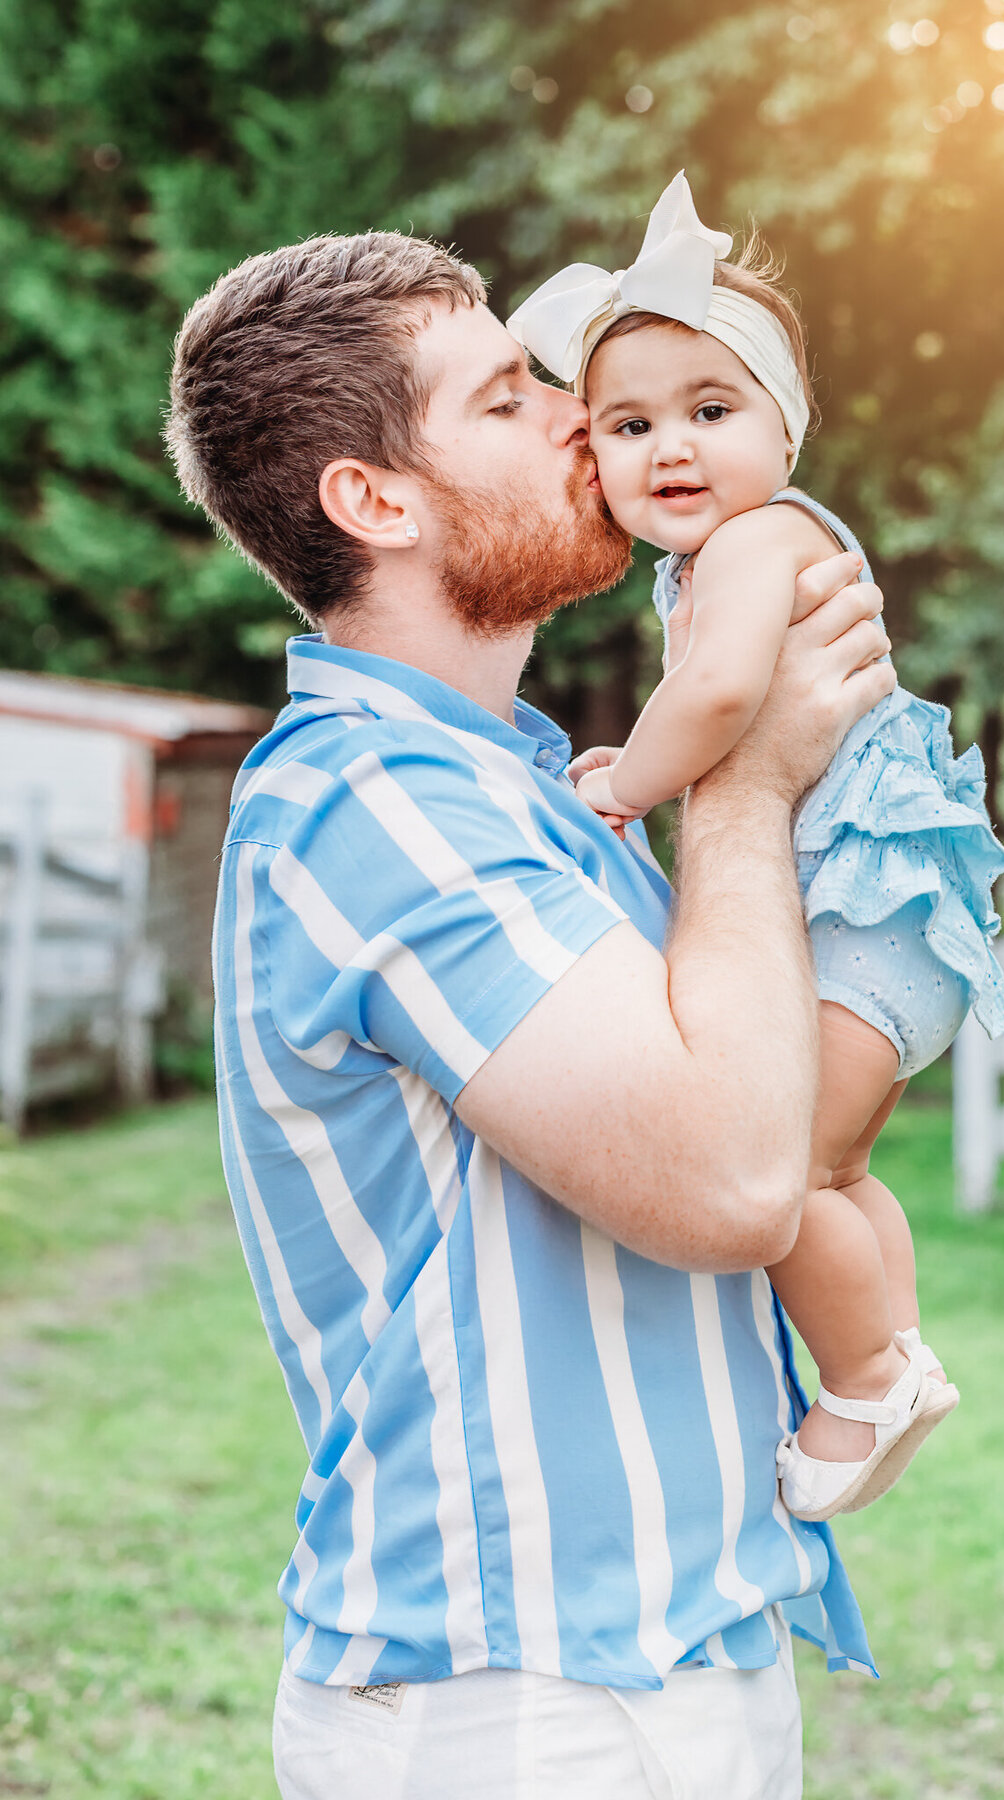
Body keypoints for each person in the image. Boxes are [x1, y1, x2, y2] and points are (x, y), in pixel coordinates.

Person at [168, 227, 893, 1800]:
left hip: (657, 1658)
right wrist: (749, 785)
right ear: (376, 501)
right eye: (509, 399)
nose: (584, 413)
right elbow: (732, 1178)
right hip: (521, 1704)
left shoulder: (525, 787)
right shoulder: (379, 797)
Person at [509, 174, 1004, 1526]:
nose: (670, 447)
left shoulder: (754, 543)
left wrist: (632, 782)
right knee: (838, 1167)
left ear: (783, 430)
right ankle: (893, 1353)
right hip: (889, 913)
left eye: (711, 411)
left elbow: (727, 698)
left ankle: (863, 1380)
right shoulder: (727, 549)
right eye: (629, 424)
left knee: (780, 1167)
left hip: (866, 906)